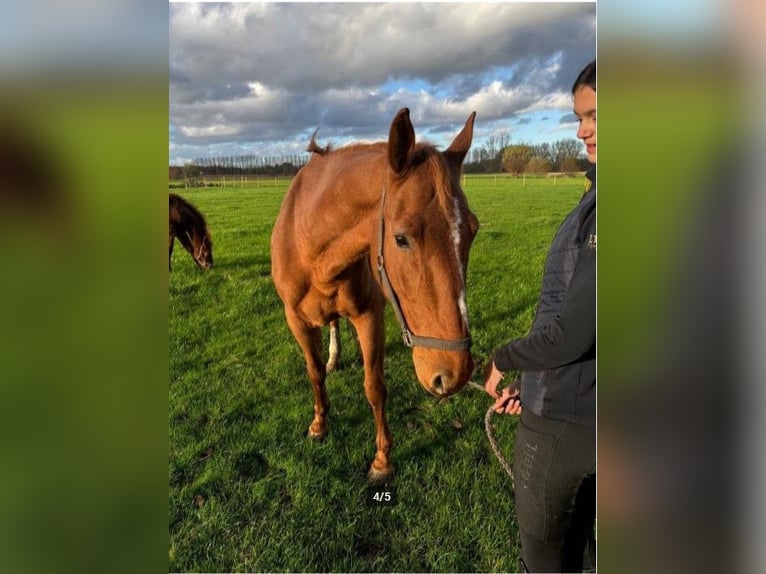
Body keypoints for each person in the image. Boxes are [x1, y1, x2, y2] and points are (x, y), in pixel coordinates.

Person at [484, 59, 596, 573]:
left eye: (596, 116)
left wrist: (505, 358)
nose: (583, 131)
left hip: (567, 424)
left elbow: (574, 331)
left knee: (546, 555)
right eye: (580, 117)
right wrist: (531, 390)